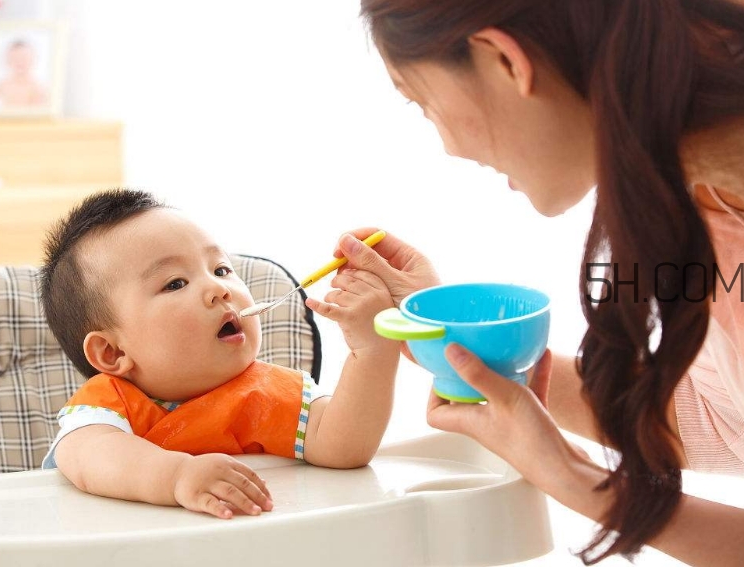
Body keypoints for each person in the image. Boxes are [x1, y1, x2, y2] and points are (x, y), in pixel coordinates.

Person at [308, 1, 744, 565]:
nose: (449, 148)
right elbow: (722, 414)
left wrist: (568, 476)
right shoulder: (706, 199)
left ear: (505, 61)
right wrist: (447, 340)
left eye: (422, 104)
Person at [39, 188, 399, 519]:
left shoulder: (270, 393)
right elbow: (88, 457)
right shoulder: (107, 407)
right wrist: (177, 476)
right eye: (175, 283)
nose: (218, 289)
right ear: (112, 351)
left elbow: (345, 446)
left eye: (221, 269)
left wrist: (372, 350)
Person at [0, 39, 48, 108]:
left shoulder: (39, 89)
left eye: (24, 58)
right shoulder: (0, 87)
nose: (20, 62)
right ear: (8, 60)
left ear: (32, 59)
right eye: (16, 58)